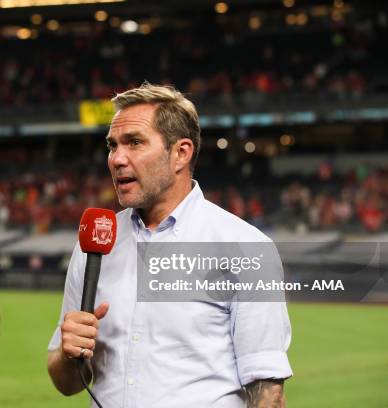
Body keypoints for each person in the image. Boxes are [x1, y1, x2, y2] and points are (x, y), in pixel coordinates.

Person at [47, 83, 292, 407]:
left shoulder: (244, 247)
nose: (117, 159)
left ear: (181, 153)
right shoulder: (96, 243)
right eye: (112, 145)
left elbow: (267, 391)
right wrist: (68, 354)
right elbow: (65, 382)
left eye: (134, 143)